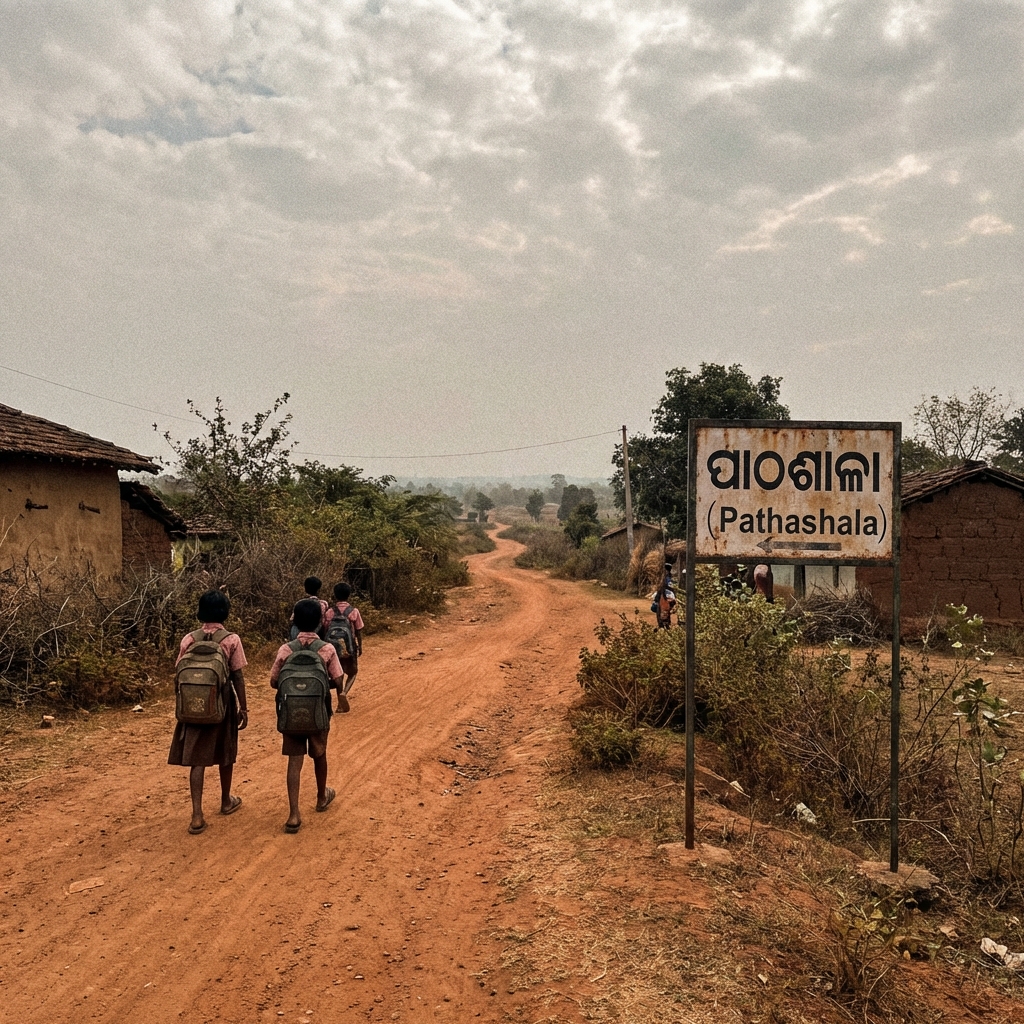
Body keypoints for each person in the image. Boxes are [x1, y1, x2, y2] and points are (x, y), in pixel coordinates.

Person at [168, 590, 248, 835]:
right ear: (225, 612)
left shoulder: (188, 639)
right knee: (226, 752)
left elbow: (179, 672)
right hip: (221, 704)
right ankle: (225, 800)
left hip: (193, 705)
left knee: (197, 759)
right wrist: (243, 707)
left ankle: (196, 815)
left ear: (200, 612)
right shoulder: (231, 639)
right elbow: (237, 676)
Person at [271, 598, 346, 833]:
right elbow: (338, 680)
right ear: (318, 623)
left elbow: (274, 681)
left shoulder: (286, 649)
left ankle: (294, 814)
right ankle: (322, 797)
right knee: (319, 754)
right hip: (318, 713)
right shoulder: (327, 649)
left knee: (294, 761)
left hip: (291, 714)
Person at [323, 581, 364, 709]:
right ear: (349, 595)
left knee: (337, 673)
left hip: (333, 648)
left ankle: (340, 704)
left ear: (335, 595)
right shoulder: (354, 611)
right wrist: (360, 646)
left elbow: (325, 629)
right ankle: (344, 693)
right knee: (352, 673)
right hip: (349, 647)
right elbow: (358, 631)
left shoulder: (330, 612)